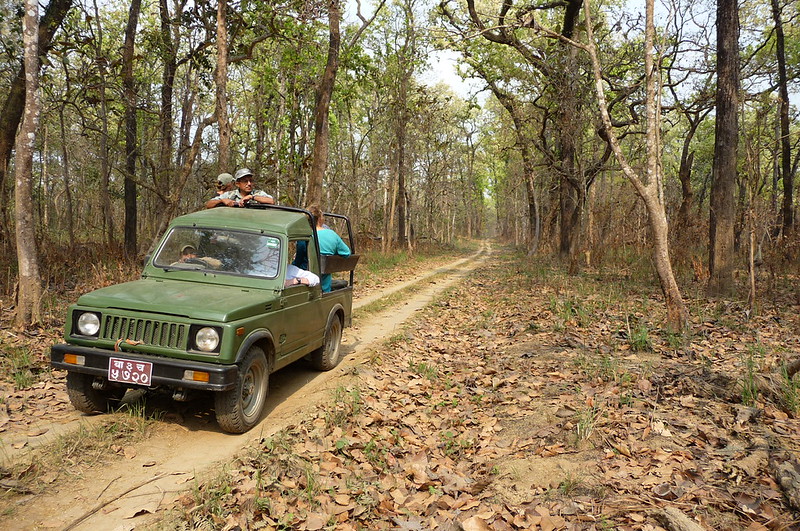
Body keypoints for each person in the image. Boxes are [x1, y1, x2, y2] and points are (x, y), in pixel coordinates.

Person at [308, 205, 350, 292]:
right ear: (320, 219)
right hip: (324, 287)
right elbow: (346, 253)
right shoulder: (331, 234)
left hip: (306, 287)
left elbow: (299, 260)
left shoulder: (305, 235)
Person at [207, 168, 275, 208]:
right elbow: (208, 204)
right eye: (245, 181)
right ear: (237, 184)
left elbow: (271, 201)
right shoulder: (230, 195)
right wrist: (222, 201)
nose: (249, 184)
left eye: (251, 181)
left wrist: (252, 197)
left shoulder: (258, 193)